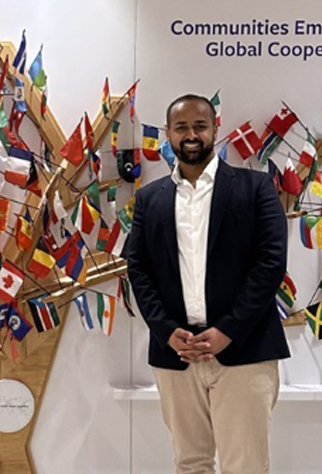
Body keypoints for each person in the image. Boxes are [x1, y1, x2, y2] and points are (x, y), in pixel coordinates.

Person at [124, 94, 290, 474]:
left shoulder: (257, 188)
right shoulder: (150, 199)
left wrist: (227, 330)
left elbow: (270, 266)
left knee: (245, 466)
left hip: (244, 352)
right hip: (176, 356)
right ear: (168, 134)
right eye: (181, 127)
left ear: (215, 128)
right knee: (189, 463)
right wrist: (166, 331)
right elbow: (139, 269)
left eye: (200, 125)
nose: (191, 135)